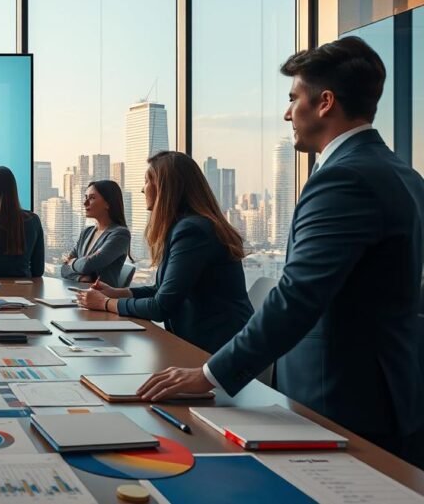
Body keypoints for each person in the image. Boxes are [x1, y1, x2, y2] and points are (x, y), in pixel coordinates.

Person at [135, 37, 424, 466]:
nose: (288, 113)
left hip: (342, 395)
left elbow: (297, 297)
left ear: (325, 103)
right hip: (390, 389)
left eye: (294, 99)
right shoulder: (402, 173)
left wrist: (208, 375)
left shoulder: (343, 179)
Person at [77, 151, 253, 354]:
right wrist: (118, 292)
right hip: (199, 344)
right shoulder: (185, 226)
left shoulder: (193, 231)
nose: (143, 190)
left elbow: (161, 307)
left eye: (147, 182)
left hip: (217, 351)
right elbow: (163, 290)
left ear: (165, 188)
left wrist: (106, 303)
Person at [60, 180, 131, 285]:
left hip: (102, 298)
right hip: (79, 294)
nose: (85, 203)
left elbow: (87, 265)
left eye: (92, 198)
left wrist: (72, 262)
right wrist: (80, 277)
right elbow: (63, 269)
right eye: (85, 197)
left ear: (108, 204)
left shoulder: (120, 234)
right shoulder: (86, 232)